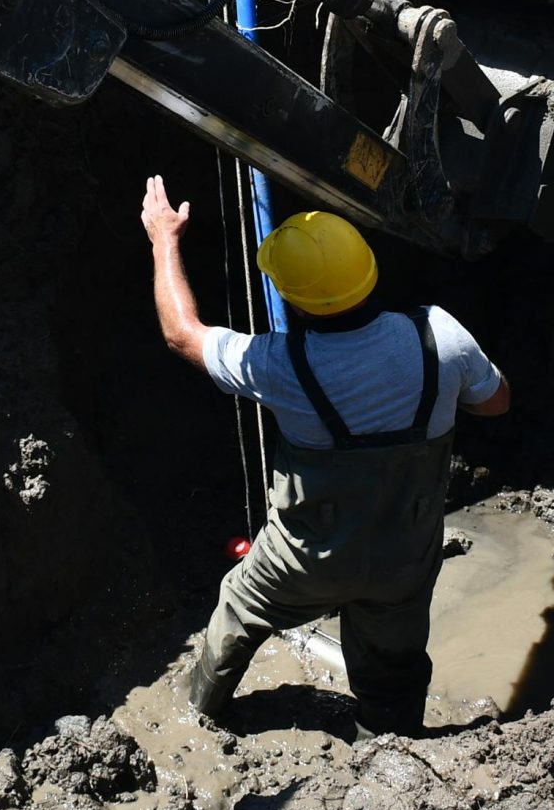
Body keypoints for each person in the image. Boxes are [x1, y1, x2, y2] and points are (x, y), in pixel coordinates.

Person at [138, 176, 511, 737]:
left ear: (290, 296)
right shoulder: (441, 335)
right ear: (369, 269)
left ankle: (200, 715)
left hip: (306, 558)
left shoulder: (276, 365)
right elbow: (496, 404)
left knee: (240, 605)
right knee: (396, 662)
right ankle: (392, 747)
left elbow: (181, 334)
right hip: (404, 555)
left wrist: (164, 239)